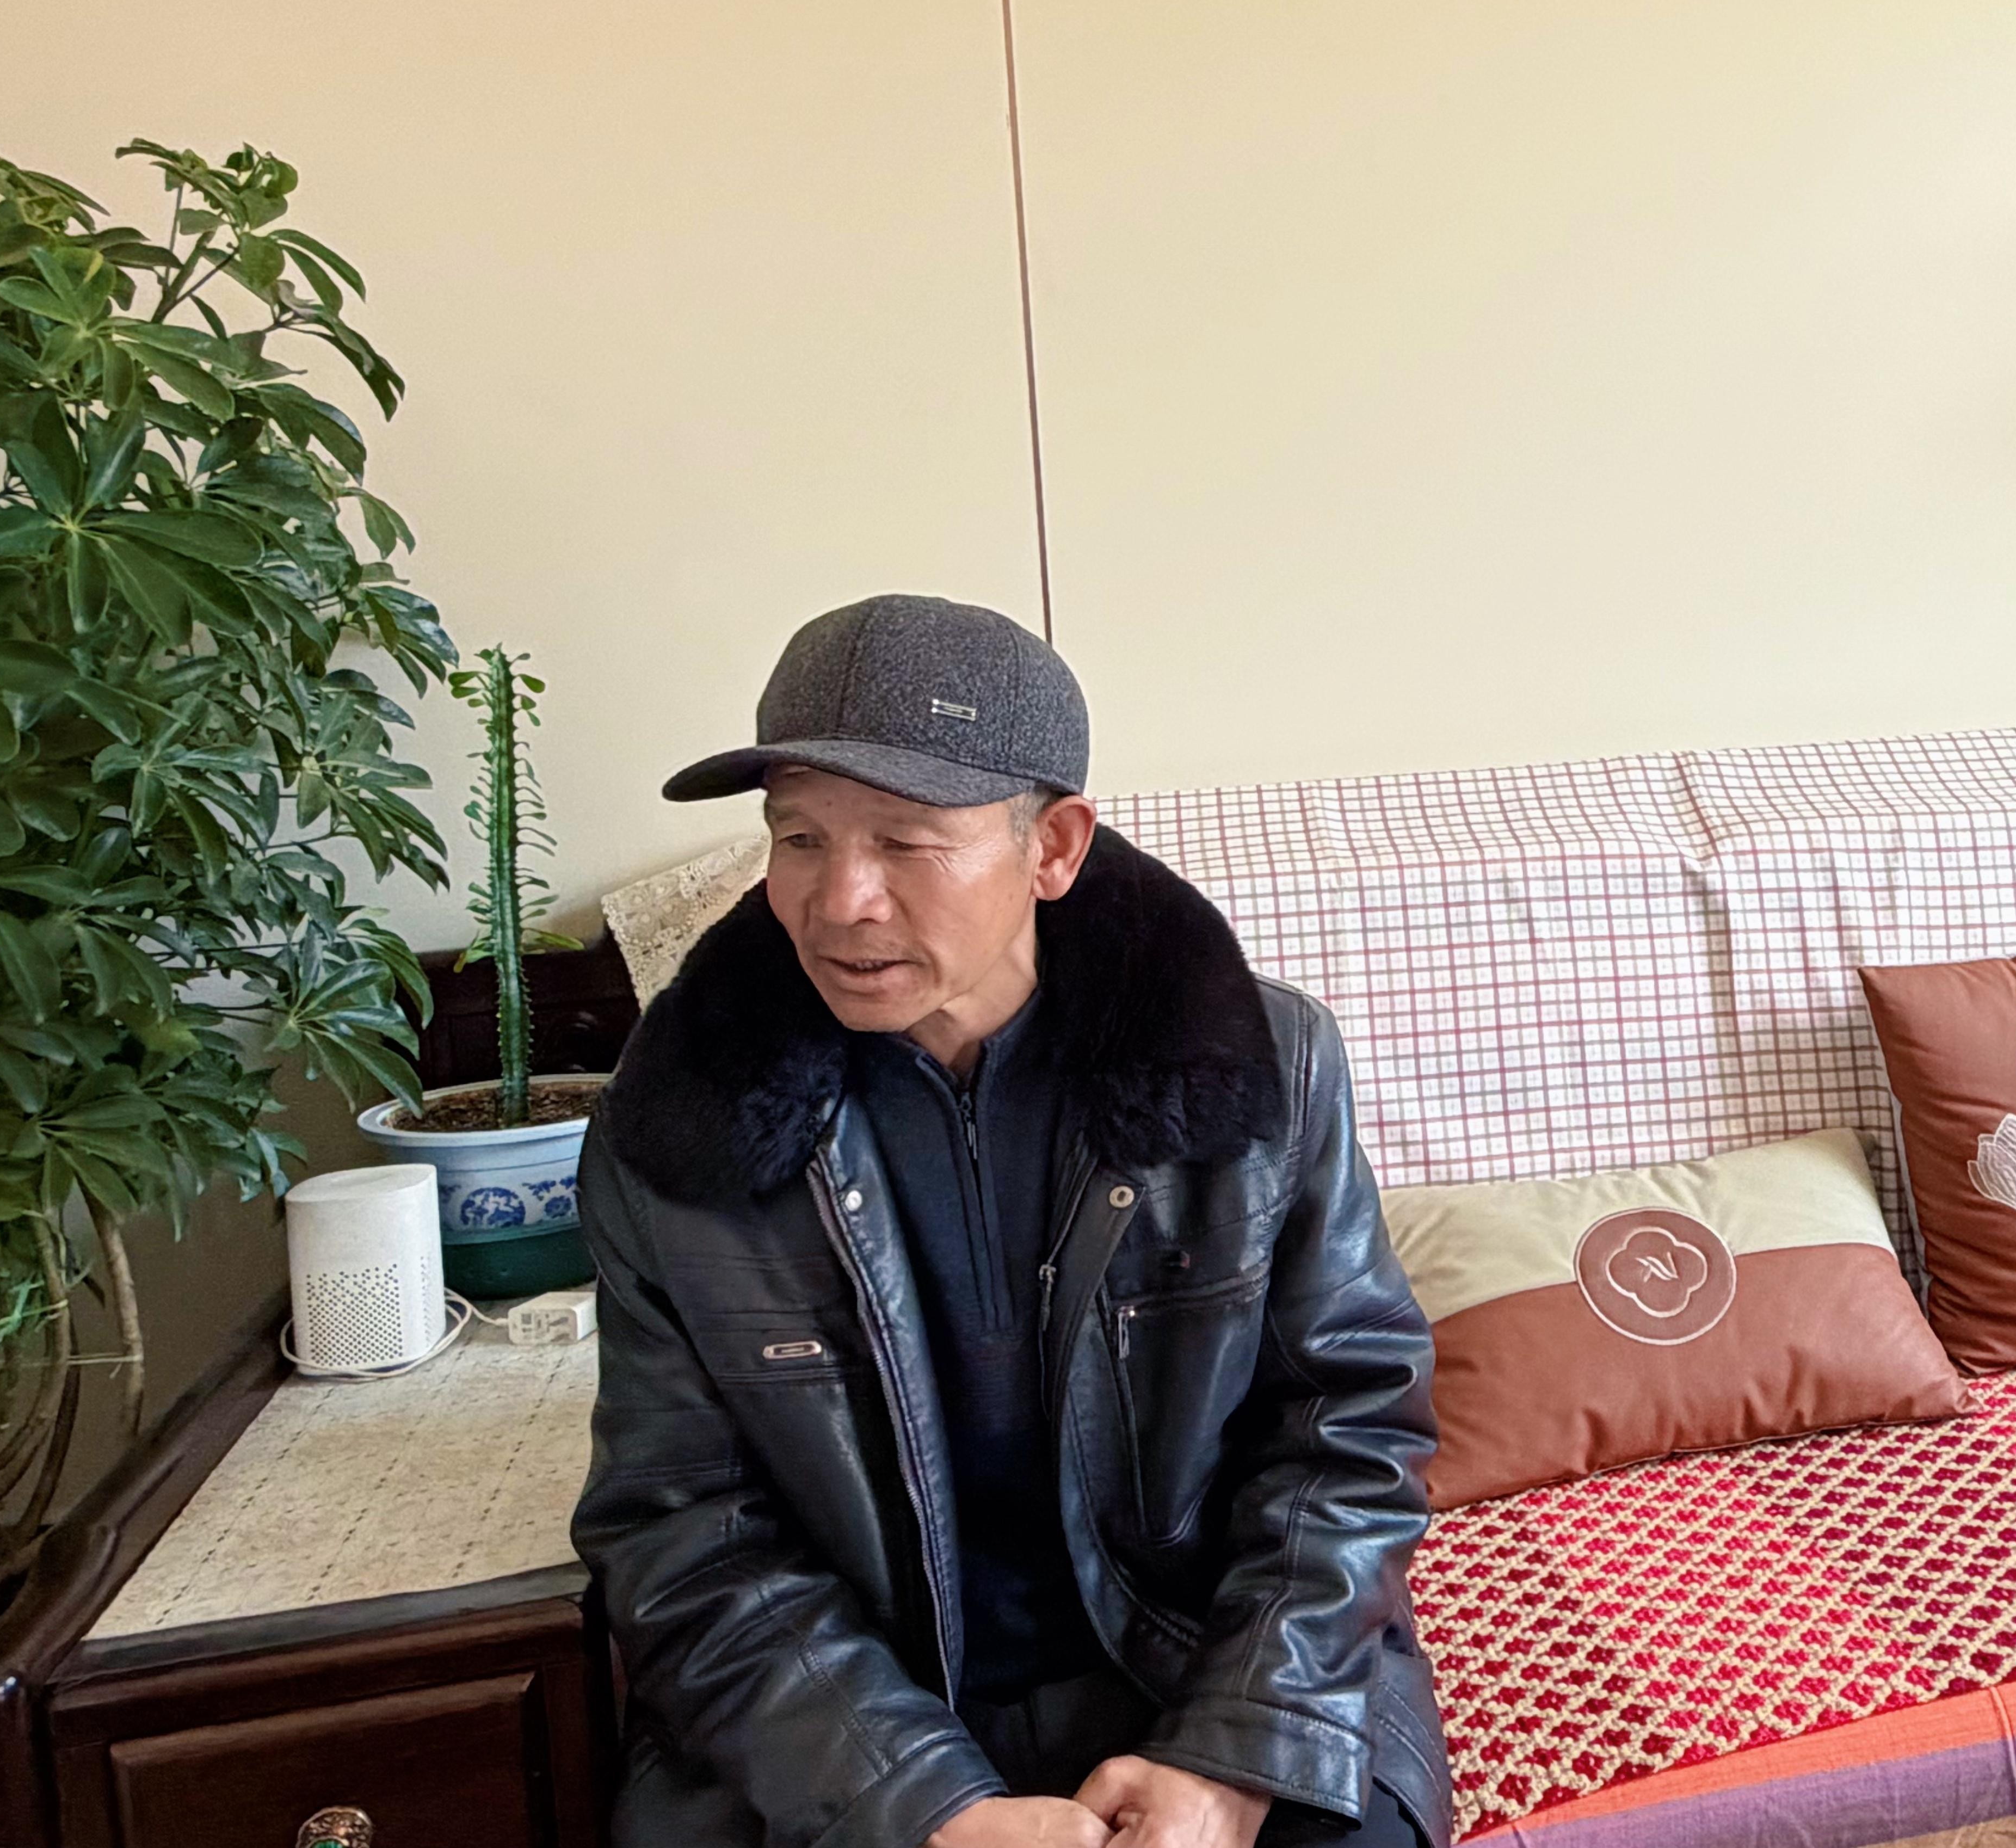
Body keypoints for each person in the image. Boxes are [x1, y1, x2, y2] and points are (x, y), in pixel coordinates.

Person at [572, 595, 1450, 1848]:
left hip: (1202, 1664)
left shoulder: (1262, 1065)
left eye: (906, 840)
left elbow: (1346, 1430)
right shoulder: (678, 1127)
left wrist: (1232, 1756)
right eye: (800, 838)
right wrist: (925, 1808)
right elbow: (684, 1538)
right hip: (846, 1719)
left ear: (1054, 849)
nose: (841, 899)